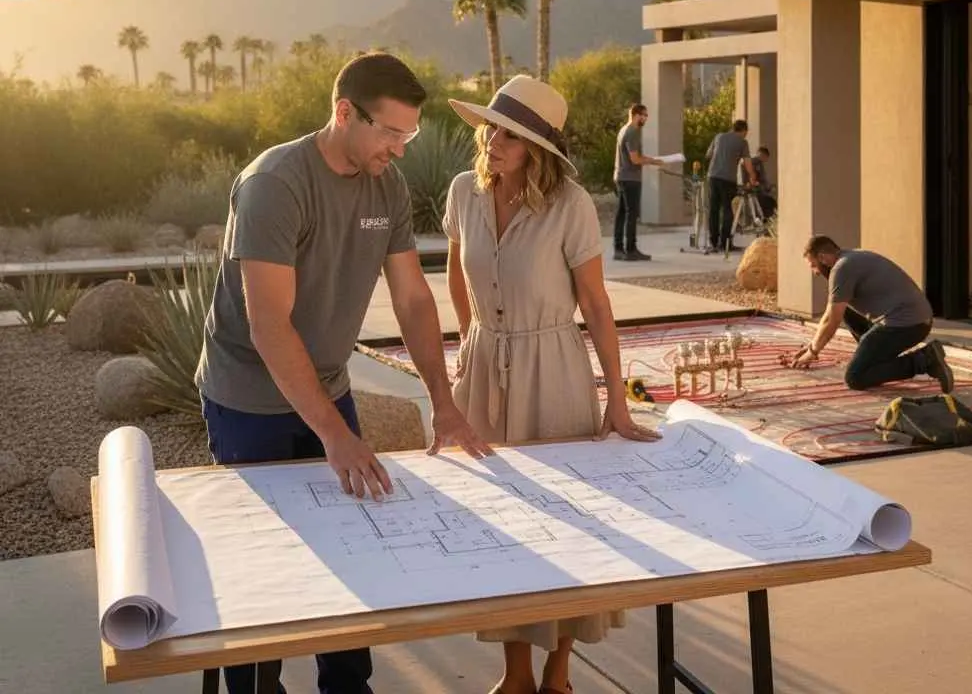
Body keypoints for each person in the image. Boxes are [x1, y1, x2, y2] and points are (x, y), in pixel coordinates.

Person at [195, 52, 491, 694]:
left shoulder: (387, 186)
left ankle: (348, 687)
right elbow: (269, 325)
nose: (400, 149)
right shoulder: (275, 183)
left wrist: (443, 402)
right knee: (263, 566)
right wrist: (335, 435)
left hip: (327, 387)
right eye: (390, 132)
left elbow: (413, 299)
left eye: (409, 135)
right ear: (344, 113)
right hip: (248, 400)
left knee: (358, 548)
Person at [444, 75, 662, 694]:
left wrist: (616, 399)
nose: (493, 140)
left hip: (554, 370)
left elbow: (595, 303)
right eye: (491, 127)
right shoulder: (463, 191)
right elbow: (457, 275)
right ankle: (514, 673)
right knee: (502, 526)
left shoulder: (571, 205)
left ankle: (558, 671)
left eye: (509, 135)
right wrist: (468, 342)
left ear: (537, 149)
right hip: (484, 369)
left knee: (567, 525)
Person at [792, 235, 955, 393]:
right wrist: (812, 346)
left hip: (907, 326)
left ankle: (925, 360)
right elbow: (832, 312)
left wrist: (812, 352)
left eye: (813, 265)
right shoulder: (852, 257)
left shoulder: (841, 269)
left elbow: (831, 320)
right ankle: (871, 359)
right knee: (844, 308)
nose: (815, 272)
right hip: (915, 320)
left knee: (855, 377)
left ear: (822, 258)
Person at [612, 103, 663, 261]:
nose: (646, 119)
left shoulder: (623, 130)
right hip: (630, 178)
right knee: (631, 214)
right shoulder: (632, 132)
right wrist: (653, 161)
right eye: (644, 115)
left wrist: (650, 160)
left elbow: (633, 157)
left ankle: (618, 249)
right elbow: (635, 159)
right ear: (636, 115)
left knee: (622, 213)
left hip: (621, 176)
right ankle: (630, 249)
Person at [705, 119, 755, 252]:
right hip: (728, 179)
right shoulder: (742, 142)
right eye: (746, 132)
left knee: (714, 209)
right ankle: (725, 243)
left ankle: (713, 242)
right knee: (728, 210)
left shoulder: (719, 137)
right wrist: (752, 176)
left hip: (713, 177)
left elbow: (708, 155)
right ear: (744, 131)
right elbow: (748, 162)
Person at [751, 145, 776, 220]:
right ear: (763, 155)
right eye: (766, 158)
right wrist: (768, 188)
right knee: (770, 204)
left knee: (771, 202)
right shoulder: (755, 162)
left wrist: (769, 187)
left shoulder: (757, 163)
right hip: (756, 192)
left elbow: (763, 179)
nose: (765, 160)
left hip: (759, 191)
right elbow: (761, 179)